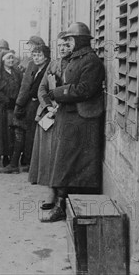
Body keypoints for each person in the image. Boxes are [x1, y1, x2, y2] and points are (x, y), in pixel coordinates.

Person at [42, 22, 105, 222]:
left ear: (79, 41)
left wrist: (58, 92)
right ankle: (63, 204)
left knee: (72, 162)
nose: (67, 44)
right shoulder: (74, 59)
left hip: (83, 118)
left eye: (70, 40)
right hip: (70, 116)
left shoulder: (91, 61)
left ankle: (65, 207)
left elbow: (84, 90)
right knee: (64, 161)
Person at [29, 32, 72, 208]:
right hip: (49, 114)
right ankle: (51, 192)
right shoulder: (53, 64)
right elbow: (42, 89)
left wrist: (60, 106)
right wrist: (48, 106)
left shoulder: (75, 66)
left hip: (67, 114)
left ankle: (63, 194)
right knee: (48, 155)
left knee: (62, 156)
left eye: (67, 45)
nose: (63, 48)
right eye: (60, 45)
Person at [0, 43, 51, 174]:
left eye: (40, 55)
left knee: (31, 134)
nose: (36, 58)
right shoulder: (36, 69)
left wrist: (25, 100)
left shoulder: (46, 69)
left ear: (46, 57)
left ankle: (26, 163)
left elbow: (35, 90)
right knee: (21, 131)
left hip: (39, 107)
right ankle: (15, 163)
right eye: (34, 55)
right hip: (30, 105)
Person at [0, 50, 23, 167]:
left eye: (12, 58)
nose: (11, 61)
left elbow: (21, 87)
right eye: (8, 59)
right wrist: (8, 101)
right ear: (3, 61)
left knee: (14, 132)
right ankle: (5, 156)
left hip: (15, 106)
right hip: (3, 108)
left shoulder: (17, 73)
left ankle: (14, 155)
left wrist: (17, 101)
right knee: (4, 133)